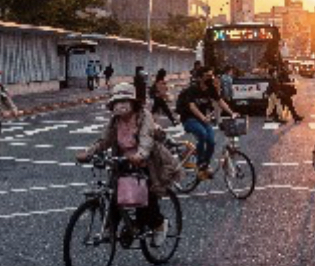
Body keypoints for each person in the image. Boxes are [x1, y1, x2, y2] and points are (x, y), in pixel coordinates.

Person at [76, 82, 172, 247]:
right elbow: (104, 140)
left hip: (145, 161)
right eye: (117, 102)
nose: (120, 105)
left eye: (124, 101)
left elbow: (146, 139)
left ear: (133, 102)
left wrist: (140, 155)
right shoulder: (115, 120)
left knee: (145, 199)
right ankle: (109, 227)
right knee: (114, 193)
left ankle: (159, 225)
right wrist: (89, 152)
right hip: (121, 160)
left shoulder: (144, 116)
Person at [176, 71, 237, 179]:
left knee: (211, 141)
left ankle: (205, 165)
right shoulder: (193, 90)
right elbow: (192, 106)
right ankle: (200, 163)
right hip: (189, 119)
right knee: (202, 134)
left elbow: (220, 101)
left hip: (202, 120)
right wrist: (202, 117)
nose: (211, 78)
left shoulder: (211, 89)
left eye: (211, 75)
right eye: (207, 76)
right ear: (200, 78)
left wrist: (232, 113)